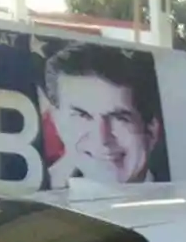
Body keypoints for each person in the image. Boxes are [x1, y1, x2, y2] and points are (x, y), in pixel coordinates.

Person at [40, 44, 164, 187]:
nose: (102, 138)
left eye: (119, 118)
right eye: (82, 116)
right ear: (56, 121)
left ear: (152, 129)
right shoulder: (35, 198)